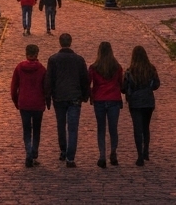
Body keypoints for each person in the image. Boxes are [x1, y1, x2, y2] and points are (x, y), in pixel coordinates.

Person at [44, 32, 89, 167]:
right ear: (70, 42)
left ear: (60, 43)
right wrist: (85, 95)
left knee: (61, 125)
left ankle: (63, 150)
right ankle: (70, 157)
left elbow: (49, 80)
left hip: (59, 96)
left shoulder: (53, 59)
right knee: (73, 128)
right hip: (74, 97)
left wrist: (47, 96)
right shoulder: (79, 60)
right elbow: (85, 79)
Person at [10, 43, 48, 167]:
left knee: (26, 130)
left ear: (26, 54)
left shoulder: (19, 68)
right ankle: (34, 152)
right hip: (37, 103)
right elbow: (46, 87)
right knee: (37, 129)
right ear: (37, 54)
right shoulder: (42, 69)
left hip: (24, 103)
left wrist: (16, 101)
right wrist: (47, 102)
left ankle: (28, 153)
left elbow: (13, 87)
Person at [88, 41, 124, 168]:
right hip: (114, 99)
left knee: (101, 128)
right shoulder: (117, 67)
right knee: (113, 128)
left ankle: (102, 155)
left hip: (99, 99)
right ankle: (113, 151)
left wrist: (91, 95)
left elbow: (88, 83)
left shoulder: (94, 67)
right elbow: (121, 83)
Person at [124, 45, 161, 166]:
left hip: (135, 103)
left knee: (137, 129)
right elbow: (156, 84)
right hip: (148, 101)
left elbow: (124, 87)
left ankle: (139, 155)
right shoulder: (151, 69)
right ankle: (146, 150)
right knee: (146, 127)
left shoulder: (130, 71)